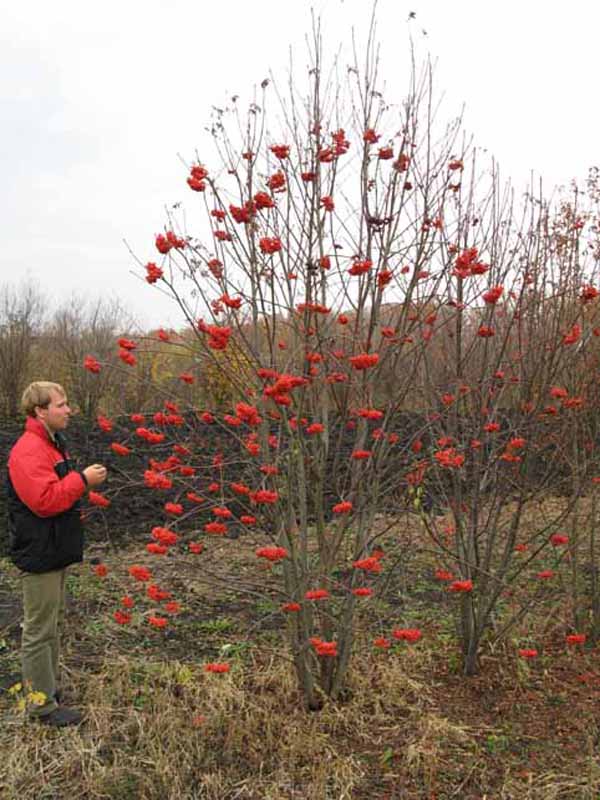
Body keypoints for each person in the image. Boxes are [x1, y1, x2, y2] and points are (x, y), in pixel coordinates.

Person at [6, 381, 107, 727]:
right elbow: (45, 501)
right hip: (40, 552)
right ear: (40, 411)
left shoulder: (50, 444)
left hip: (53, 549)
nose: (68, 410)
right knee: (38, 629)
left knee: (51, 624)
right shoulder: (29, 450)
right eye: (61, 405)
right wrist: (83, 480)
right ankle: (41, 707)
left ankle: (46, 690)